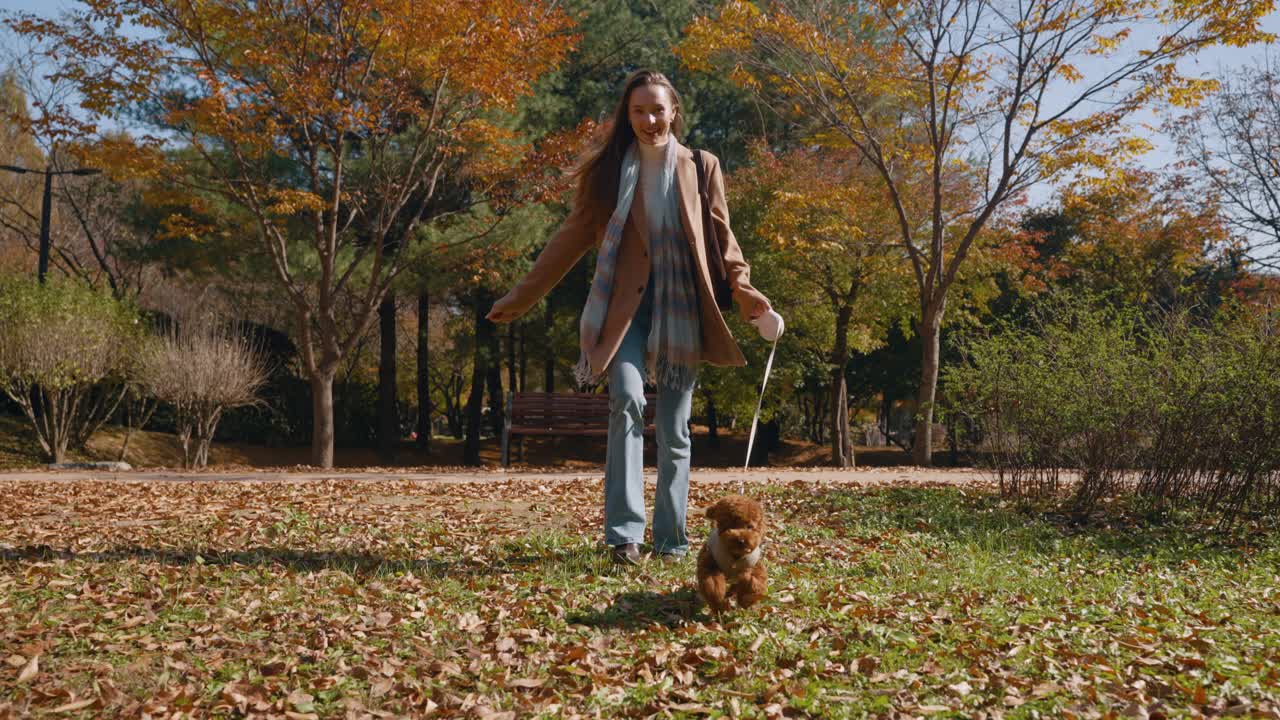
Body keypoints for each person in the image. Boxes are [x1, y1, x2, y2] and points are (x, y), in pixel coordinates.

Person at [487, 69, 771, 566]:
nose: (648, 119)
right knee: (626, 399)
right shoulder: (609, 172)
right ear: (628, 115)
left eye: (657, 109)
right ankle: (624, 536)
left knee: (676, 428)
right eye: (638, 110)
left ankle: (672, 540)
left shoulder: (701, 166)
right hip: (624, 310)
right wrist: (523, 295)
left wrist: (745, 291)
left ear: (674, 111)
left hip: (682, 307)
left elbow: (724, 240)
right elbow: (570, 239)